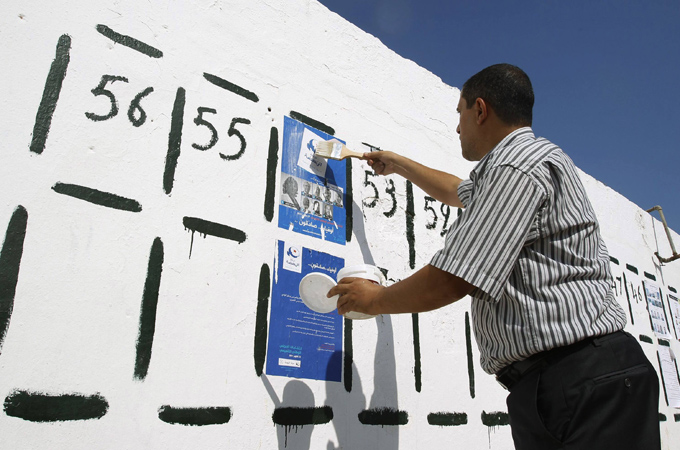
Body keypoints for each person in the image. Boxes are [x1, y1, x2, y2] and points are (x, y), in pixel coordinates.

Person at [327, 64, 661, 450]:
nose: (457, 127)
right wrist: (399, 164)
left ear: (480, 110)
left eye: (460, 113)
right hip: (572, 381)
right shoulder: (520, 164)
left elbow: (455, 277)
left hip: (581, 382)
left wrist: (374, 299)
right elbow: (457, 191)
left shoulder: (515, 167)